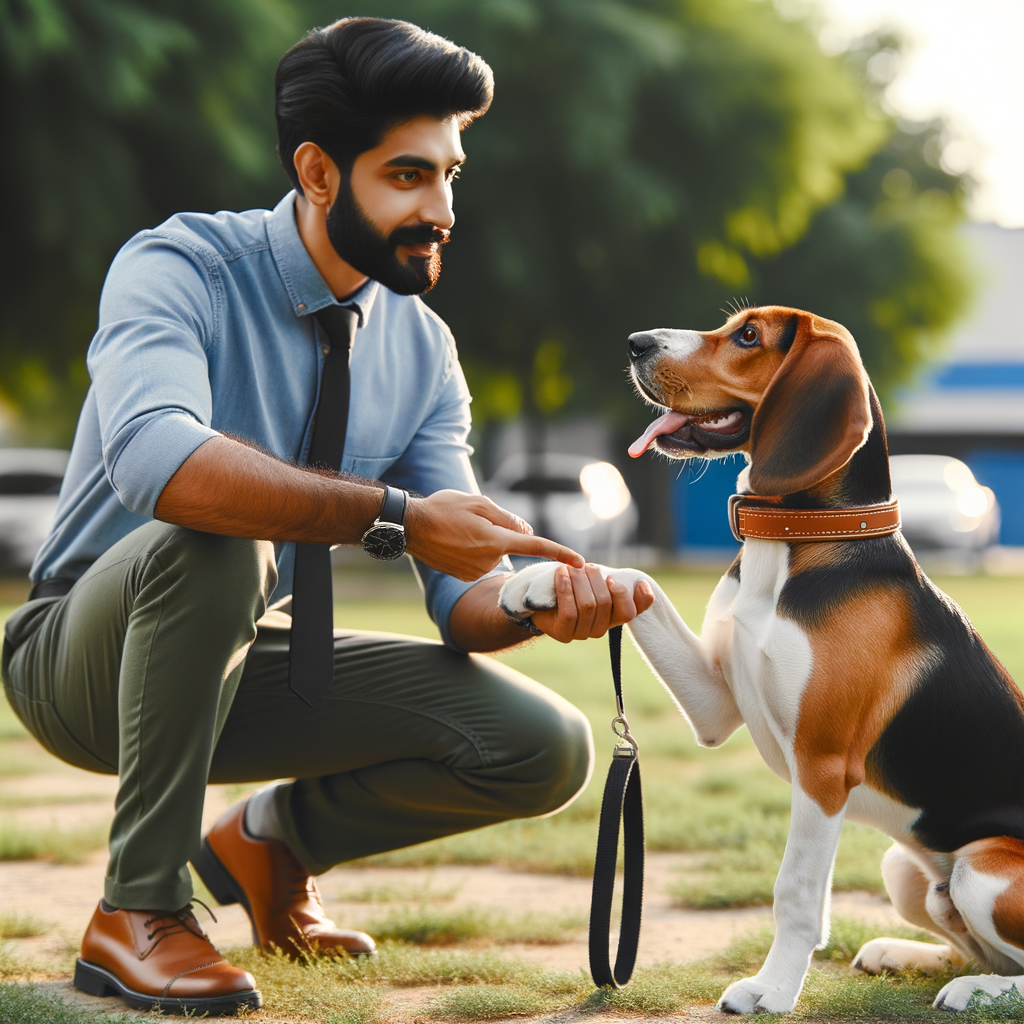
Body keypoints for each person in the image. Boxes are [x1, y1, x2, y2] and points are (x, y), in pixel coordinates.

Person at [1, 16, 654, 1017]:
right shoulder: (180, 267)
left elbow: (459, 599)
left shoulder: (424, 351)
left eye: (449, 174)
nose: (440, 208)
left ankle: (270, 848)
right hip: (81, 657)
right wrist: (392, 514)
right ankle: (139, 912)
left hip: (249, 661)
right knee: (222, 540)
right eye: (407, 176)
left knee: (544, 746)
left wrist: (533, 597)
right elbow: (156, 462)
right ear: (316, 171)